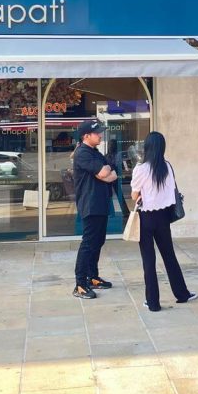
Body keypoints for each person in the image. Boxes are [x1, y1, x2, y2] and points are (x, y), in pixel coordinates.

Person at [130, 132, 196, 312]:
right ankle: (182, 294)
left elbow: (134, 195)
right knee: (169, 256)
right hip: (164, 217)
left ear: (147, 147)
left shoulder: (141, 169)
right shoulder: (167, 167)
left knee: (148, 260)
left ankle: (153, 303)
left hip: (146, 218)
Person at [72, 119, 119, 300]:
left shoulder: (95, 152)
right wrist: (105, 172)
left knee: (98, 241)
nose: (100, 135)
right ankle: (80, 284)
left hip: (100, 203)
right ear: (86, 136)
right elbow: (103, 173)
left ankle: (92, 277)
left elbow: (111, 174)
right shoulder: (82, 153)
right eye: (97, 133)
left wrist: (106, 172)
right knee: (88, 243)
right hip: (90, 204)